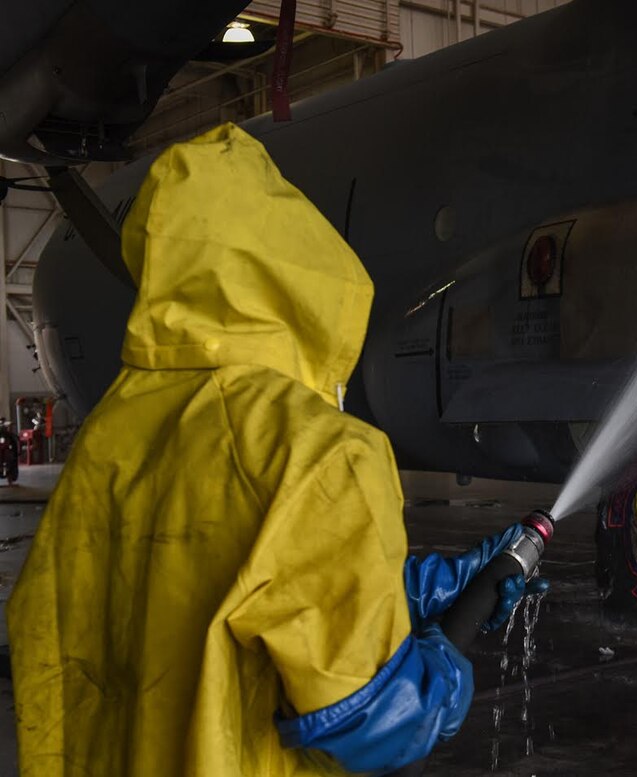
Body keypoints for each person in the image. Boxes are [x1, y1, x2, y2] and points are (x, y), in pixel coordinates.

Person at [8, 123, 544, 776]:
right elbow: (377, 716)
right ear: (300, 263)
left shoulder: (107, 438)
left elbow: (225, 585)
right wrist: (441, 670)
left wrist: (421, 587)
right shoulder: (314, 451)